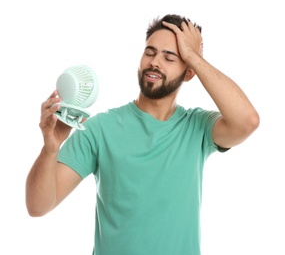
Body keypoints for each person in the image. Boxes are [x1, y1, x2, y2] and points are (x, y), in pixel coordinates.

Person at [26, 14, 260, 255]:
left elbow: (247, 122)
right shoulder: (99, 129)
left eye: (169, 57)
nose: (155, 62)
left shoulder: (197, 127)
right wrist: (50, 148)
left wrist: (194, 57)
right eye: (150, 52)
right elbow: (38, 206)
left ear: (189, 72)